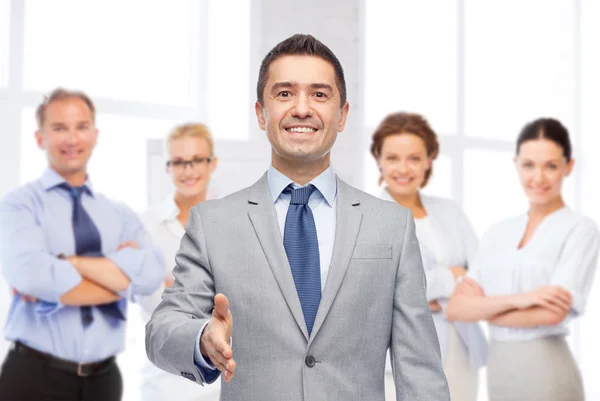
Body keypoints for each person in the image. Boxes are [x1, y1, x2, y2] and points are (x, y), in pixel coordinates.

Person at [145, 34, 450, 401]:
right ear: (261, 113)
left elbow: (420, 370)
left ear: (342, 115)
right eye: (284, 93)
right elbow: (162, 329)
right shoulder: (213, 223)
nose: (302, 108)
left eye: (319, 94)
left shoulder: (392, 225)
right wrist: (201, 340)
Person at [0, 88, 164, 401]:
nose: (72, 139)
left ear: (95, 134)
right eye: (59, 128)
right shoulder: (20, 205)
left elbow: (152, 274)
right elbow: (33, 276)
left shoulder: (119, 215)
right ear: (40, 138)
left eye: (81, 127)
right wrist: (120, 276)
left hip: (104, 381)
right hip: (33, 378)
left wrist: (69, 263)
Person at [447, 117, 599, 401]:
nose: (538, 177)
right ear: (516, 163)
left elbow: (553, 313)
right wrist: (523, 299)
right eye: (529, 165)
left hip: (548, 372)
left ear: (569, 167)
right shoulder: (498, 232)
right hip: (500, 372)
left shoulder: (580, 229)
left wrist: (481, 307)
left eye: (551, 166)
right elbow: (456, 309)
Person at [370, 112, 487, 401]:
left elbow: (483, 273)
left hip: (460, 347)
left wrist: (428, 293)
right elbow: (379, 289)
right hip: (399, 352)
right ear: (379, 160)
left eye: (414, 158)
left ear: (429, 161)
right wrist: (453, 276)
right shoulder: (368, 216)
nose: (403, 168)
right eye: (393, 158)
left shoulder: (450, 211)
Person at [139, 123, 220, 401]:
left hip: (223, 386)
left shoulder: (233, 221)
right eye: (179, 162)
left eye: (197, 160)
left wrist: (172, 285)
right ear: (167, 167)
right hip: (163, 385)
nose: (188, 171)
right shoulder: (145, 227)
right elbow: (148, 299)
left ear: (212, 163)